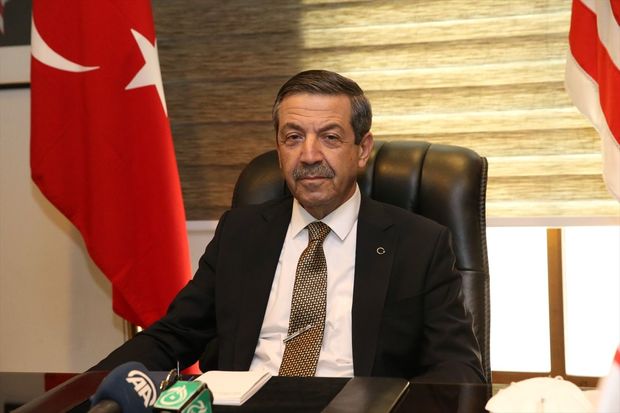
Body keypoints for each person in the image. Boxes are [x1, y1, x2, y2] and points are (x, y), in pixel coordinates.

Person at [93, 69, 485, 383]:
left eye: (330, 137)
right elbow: (174, 336)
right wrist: (87, 389)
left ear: (362, 150)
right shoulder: (240, 233)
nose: (309, 155)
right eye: (294, 137)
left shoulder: (420, 243)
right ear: (279, 148)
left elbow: (457, 368)